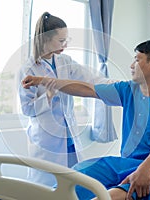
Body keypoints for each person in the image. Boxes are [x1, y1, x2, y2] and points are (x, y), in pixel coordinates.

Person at [22, 40, 150, 200]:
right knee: (82, 172)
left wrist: (145, 169)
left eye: (137, 60)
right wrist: (43, 81)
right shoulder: (128, 90)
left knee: (132, 186)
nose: (131, 66)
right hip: (128, 163)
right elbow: (85, 88)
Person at [19, 12, 111, 187]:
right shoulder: (28, 69)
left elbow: (90, 78)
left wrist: (117, 86)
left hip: (69, 136)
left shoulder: (65, 61)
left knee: (72, 184)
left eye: (66, 40)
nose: (65, 45)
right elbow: (27, 109)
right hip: (46, 140)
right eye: (61, 41)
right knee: (45, 188)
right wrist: (47, 96)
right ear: (45, 39)